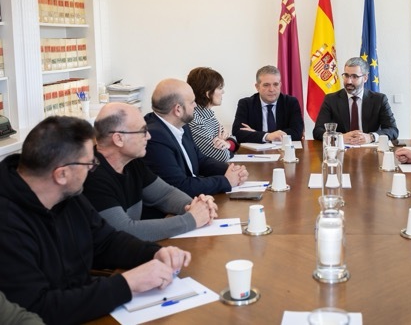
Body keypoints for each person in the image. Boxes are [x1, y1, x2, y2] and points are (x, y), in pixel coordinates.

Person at [0, 116, 191, 324]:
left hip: (88, 307)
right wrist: (127, 284)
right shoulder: (8, 223)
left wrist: (153, 252)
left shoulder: (67, 194)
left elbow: (106, 241)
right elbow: (39, 307)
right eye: (89, 164)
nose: (92, 170)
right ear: (61, 174)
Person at [84, 103, 219, 242]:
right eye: (143, 131)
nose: (148, 136)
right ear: (119, 139)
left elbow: (165, 194)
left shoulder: (132, 162)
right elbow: (123, 230)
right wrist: (191, 219)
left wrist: (196, 205)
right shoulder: (92, 175)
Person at [143, 79, 249, 197]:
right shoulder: (155, 137)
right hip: (176, 205)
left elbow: (200, 160)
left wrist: (230, 170)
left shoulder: (182, 125)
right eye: (192, 102)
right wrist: (226, 181)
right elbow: (180, 186)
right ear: (178, 109)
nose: (195, 105)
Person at [312, 57, 399, 144]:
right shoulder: (331, 99)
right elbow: (317, 131)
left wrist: (371, 137)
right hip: (342, 148)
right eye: (346, 75)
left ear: (365, 78)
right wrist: (339, 137)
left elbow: (392, 130)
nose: (349, 81)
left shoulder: (379, 100)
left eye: (354, 76)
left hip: (369, 148)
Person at [232, 65, 304, 143]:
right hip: (255, 150)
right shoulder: (246, 104)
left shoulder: (291, 102)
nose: (271, 89)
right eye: (266, 85)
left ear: (280, 85)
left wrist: (257, 134)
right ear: (257, 87)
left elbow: (297, 132)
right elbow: (237, 133)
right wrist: (267, 136)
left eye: (275, 84)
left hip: (283, 149)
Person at [187, 66, 239, 161]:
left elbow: (234, 140)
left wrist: (227, 144)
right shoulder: (195, 120)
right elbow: (222, 156)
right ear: (208, 93)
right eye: (220, 88)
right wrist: (227, 145)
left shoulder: (208, 115)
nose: (223, 92)